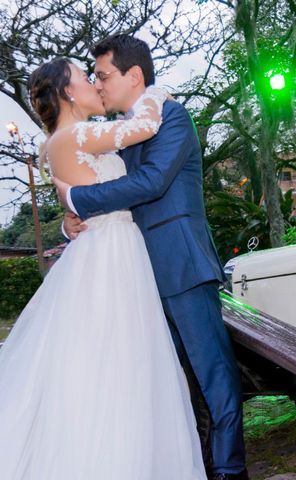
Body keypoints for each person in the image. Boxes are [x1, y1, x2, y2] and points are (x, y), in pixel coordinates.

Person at [0, 58, 206, 479]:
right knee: (119, 362)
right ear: (68, 92)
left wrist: (68, 220)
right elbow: (144, 128)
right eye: (84, 77)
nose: (94, 83)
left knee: (122, 360)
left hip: (110, 246)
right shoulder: (75, 134)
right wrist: (151, 91)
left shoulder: (67, 140)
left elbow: (88, 195)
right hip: (111, 255)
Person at [54, 35, 247, 480]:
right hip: (135, 279)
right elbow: (103, 186)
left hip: (180, 266)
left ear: (134, 75)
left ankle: (230, 471)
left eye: (103, 75)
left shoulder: (173, 117)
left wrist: (80, 199)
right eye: (95, 78)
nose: (98, 85)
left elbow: (153, 181)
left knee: (213, 378)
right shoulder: (118, 133)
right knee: (164, 384)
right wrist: (70, 221)